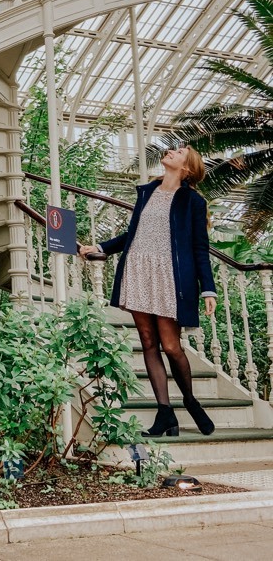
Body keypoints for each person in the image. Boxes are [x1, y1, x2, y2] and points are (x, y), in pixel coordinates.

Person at [79, 145, 218, 437]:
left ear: (187, 168)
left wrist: (208, 289)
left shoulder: (192, 201)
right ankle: (165, 413)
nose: (171, 151)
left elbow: (199, 248)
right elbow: (134, 233)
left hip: (170, 275)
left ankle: (190, 400)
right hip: (139, 269)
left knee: (171, 345)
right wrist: (101, 247)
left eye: (179, 152)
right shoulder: (147, 192)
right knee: (147, 341)